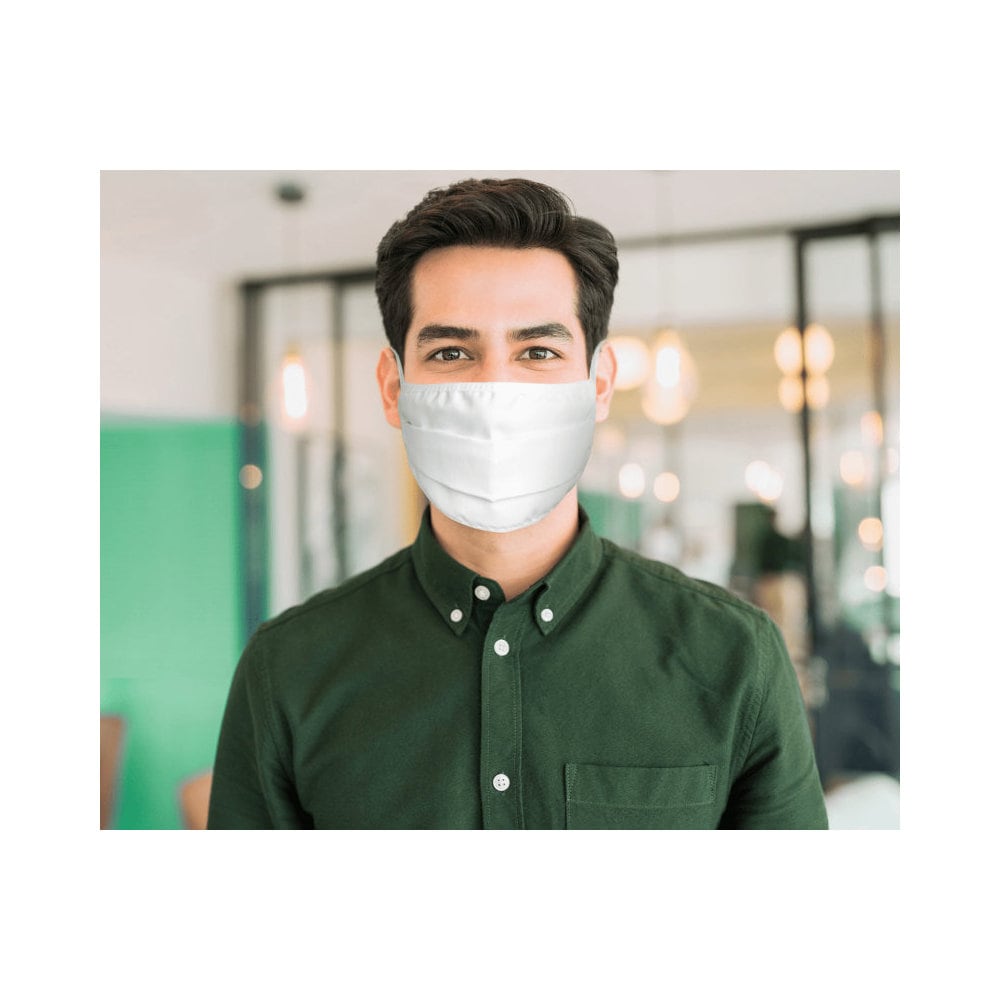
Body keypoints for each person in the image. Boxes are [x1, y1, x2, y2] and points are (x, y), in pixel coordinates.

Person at [207, 177, 828, 829]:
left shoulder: (734, 656)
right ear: (394, 388)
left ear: (599, 384)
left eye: (537, 351)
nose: (495, 391)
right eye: (451, 352)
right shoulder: (288, 668)